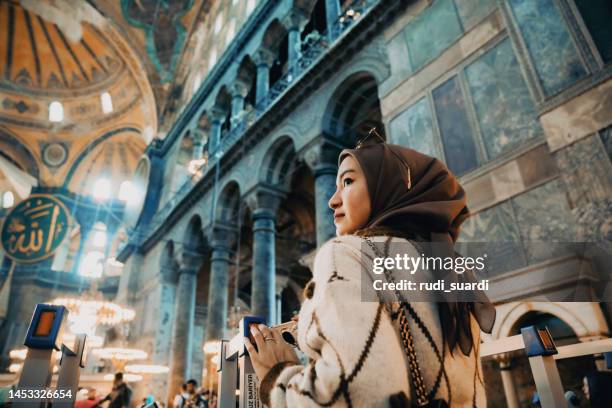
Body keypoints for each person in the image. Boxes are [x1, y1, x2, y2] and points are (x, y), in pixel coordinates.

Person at [244, 137, 495, 407]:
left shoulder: (348, 253)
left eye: (348, 182)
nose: (332, 200)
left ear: (385, 188)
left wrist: (277, 375)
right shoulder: (449, 265)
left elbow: (355, 393)